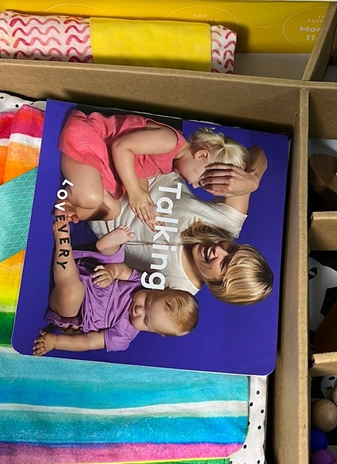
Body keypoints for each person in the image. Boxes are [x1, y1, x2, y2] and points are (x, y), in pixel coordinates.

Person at [89, 158, 274, 306]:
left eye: (225, 263)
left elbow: (123, 278)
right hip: (136, 164)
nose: (219, 249)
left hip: (98, 210)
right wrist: (252, 180)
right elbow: (257, 155)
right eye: (232, 249)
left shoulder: (179, 291)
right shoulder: (227, 225)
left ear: (217, 286)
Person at [33, 212, 199, 356]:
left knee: (72, 294)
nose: (139, 310)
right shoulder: (140, 284)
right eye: (147, 301)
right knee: (114, 259)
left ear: (154, 331)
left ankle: (63, 243)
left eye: (146, 319)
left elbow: (89, 341)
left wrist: (56, 342)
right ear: (158, 290)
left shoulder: (123, 336)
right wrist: (111, 273)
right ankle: (107, 246)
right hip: (89, 269)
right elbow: (123, 270)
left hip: (76, 306)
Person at [58, 108, 249, 230]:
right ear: (201, 155)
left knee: (113, 211)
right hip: (90, 138)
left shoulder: (169, 165)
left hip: (103, 161)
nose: (194, 185)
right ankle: (71, 198)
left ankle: (70, 209)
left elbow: (139, 169)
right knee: (91, 197)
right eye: (200, 180)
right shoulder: (171, 140)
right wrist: (135, 192)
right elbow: (121, 147)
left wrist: (145, 202)